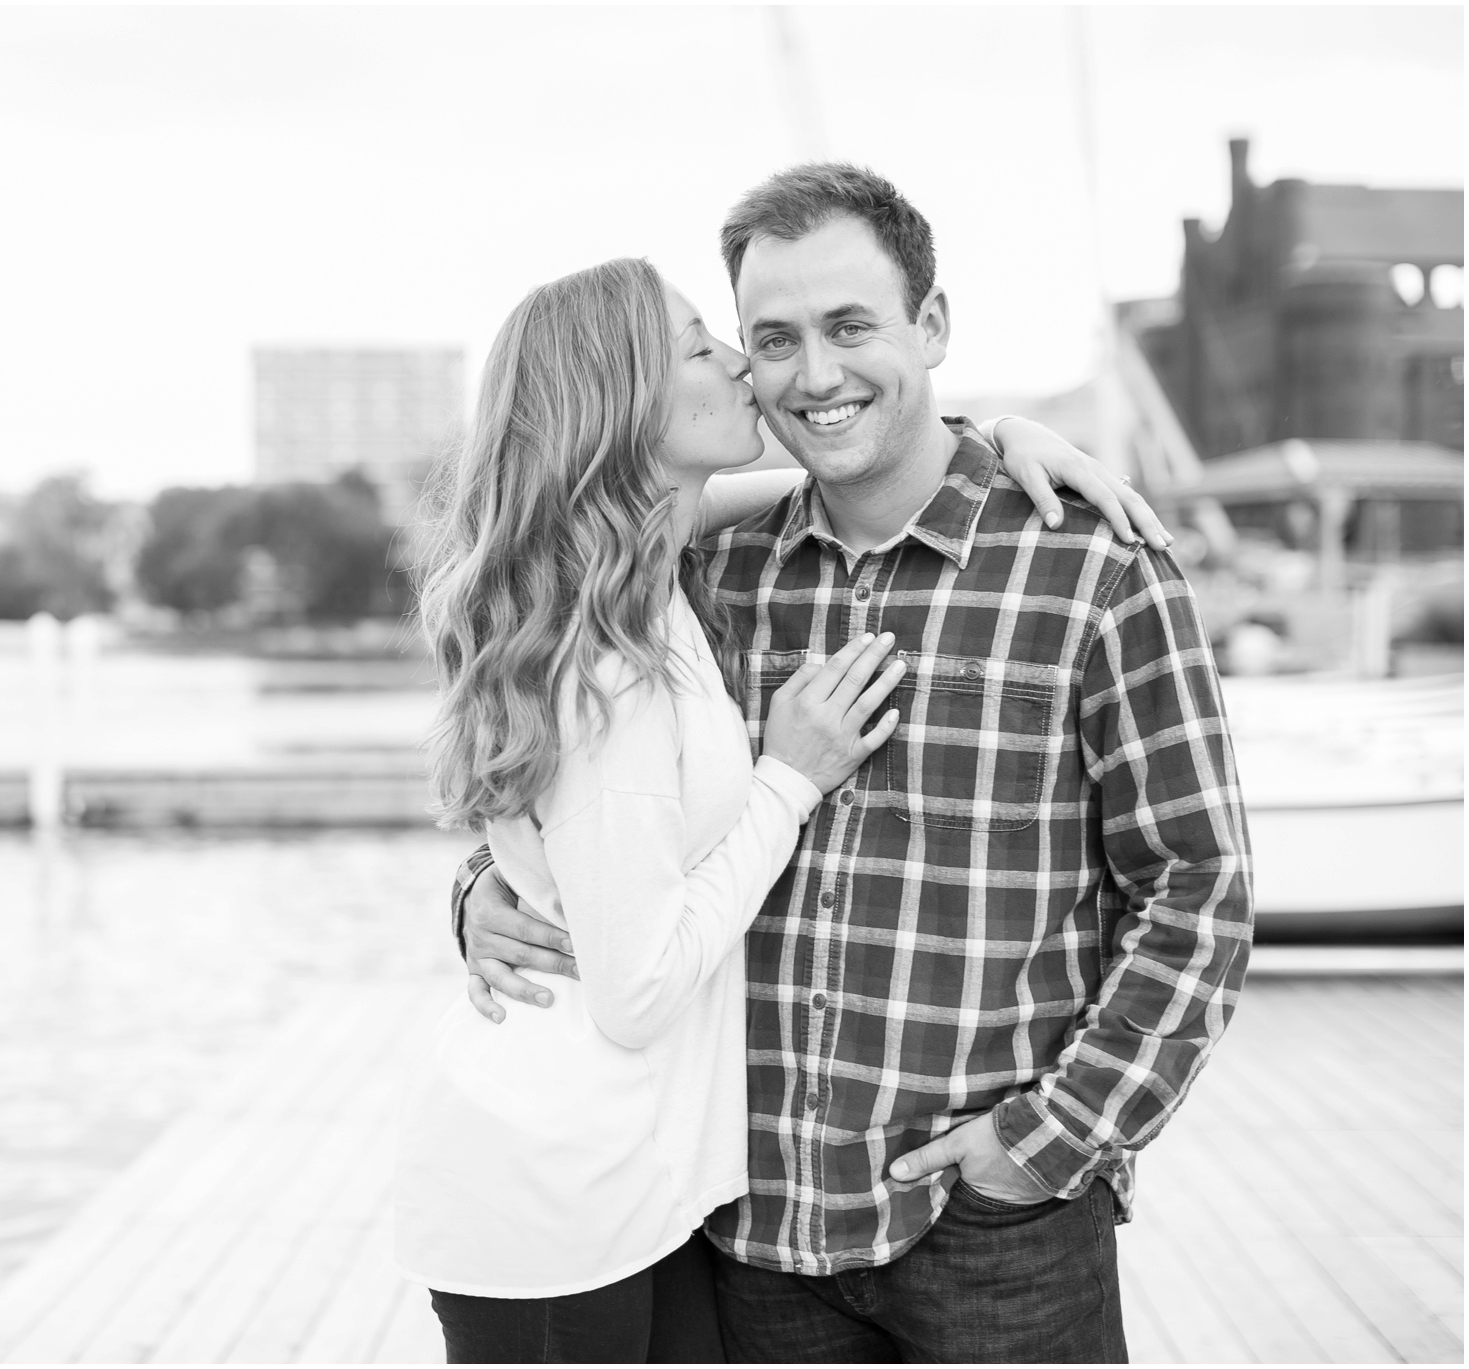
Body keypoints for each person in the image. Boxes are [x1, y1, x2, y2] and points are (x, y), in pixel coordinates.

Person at [455, 164, 1252, 1363]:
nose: (813, 375)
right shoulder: (704, 574)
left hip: (995, 1234)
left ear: (931, 328)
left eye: (849, 327)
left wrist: (1048, 1140)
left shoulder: (1088, 567)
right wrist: (481, 890)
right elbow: (577, 770)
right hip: (748, 1229)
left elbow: (1195, 888)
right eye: (770, 339)